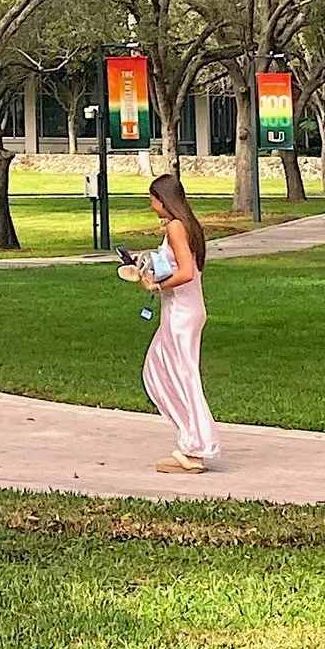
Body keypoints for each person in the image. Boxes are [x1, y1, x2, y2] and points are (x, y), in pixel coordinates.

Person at [121, 172, 220, 473]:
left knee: (182, 375)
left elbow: (187, 272)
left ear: (163, 199)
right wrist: (147, 264)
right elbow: (176, 264)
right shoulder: (186, 226)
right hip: (184, 310)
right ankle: (190, 440)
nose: (151, 205)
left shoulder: (177, 227)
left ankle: (196, 448)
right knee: (159, 370)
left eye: (152, 199)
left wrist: (156, 286)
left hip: (182, 312)